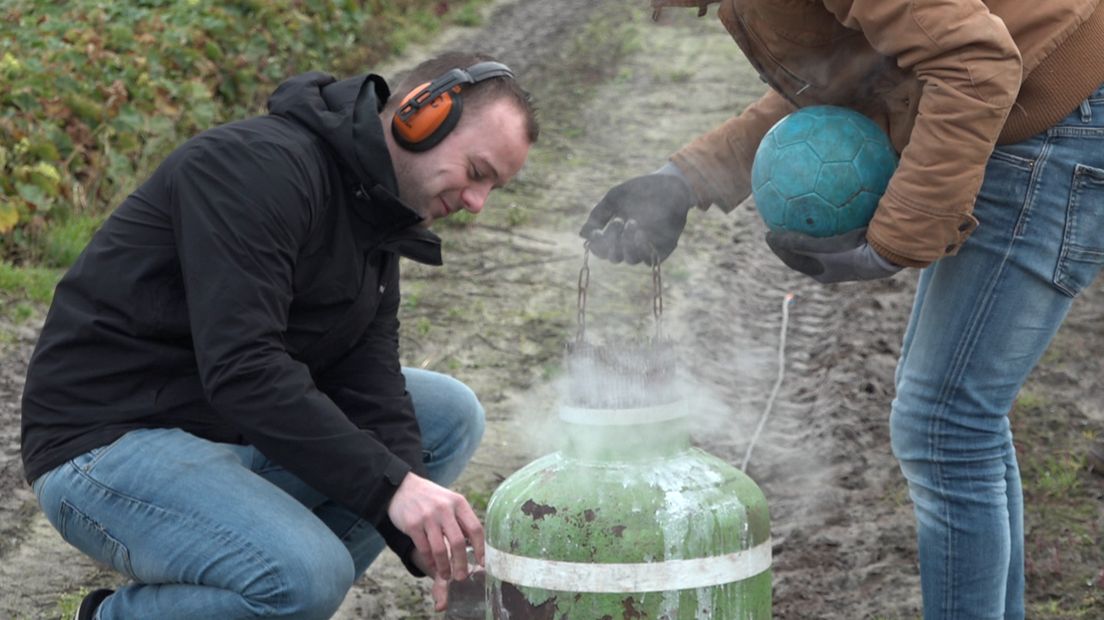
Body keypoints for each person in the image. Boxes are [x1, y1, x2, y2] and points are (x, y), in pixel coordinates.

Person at [580, 1, 1104, 618]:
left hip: (1054, 113)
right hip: (1029, 98)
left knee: (945, 424)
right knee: (960, 419)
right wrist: (686, 178)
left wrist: (891, 246)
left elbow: (973, 63)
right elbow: (869, 71)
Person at [21, 50, 538, 619]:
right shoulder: (256, 167)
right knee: (303, 577)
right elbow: (244, 368)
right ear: (422, 113)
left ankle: (274, 594)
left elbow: (369, 382)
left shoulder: (378, 210)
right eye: (478, 172)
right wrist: (392, 489)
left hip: (219, 428)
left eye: (493, 189)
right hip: (105, 441)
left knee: (446, 414)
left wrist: (423, 535)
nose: (476, 204)